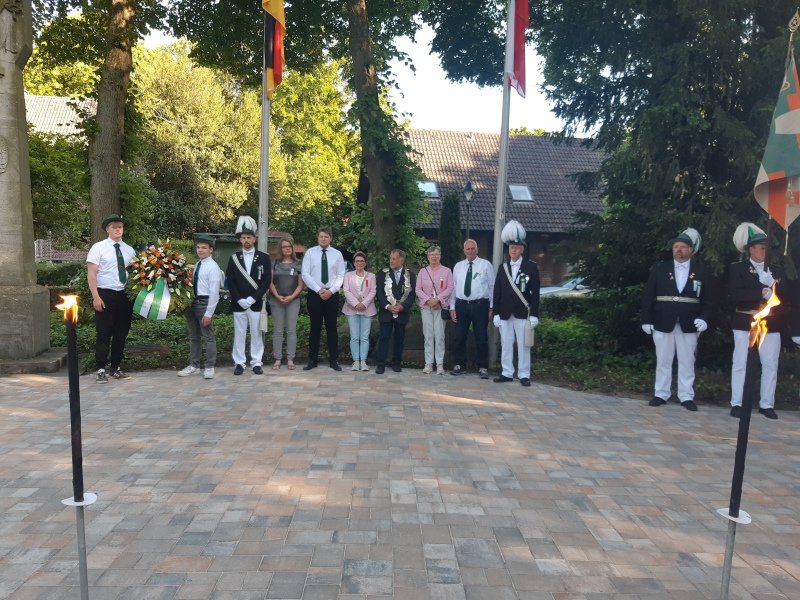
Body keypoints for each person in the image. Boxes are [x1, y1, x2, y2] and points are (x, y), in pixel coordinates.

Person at [641, 228, 711, 411]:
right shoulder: (660, 268)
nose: (678, 250)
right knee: (663, 360)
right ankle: (661, 393)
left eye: (683, 247)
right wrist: (646, 320)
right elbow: (648, 295)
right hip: (662, 320)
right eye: (676, 247)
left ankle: (686, 396)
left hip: (689, 322)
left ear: (691, 250)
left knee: (687, 361)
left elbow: (708, 299)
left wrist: (704, 318)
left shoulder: (702, 271)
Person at [728, 223, 787, 420]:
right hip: (746, 319)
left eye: (767, 248)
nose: (765, 251)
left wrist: (772, 284)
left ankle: (767, 404)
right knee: (741, 362)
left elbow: (787, 296)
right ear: (751, 249)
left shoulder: (776, 270)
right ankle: (737, 402)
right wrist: (760, 292)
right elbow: (735, 294)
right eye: (762, 248)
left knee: (770, 363)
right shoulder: (738, 269)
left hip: (770, 323)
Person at [86, 214, 135, 383]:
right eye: (114, 227)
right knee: (104, 333)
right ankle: (101, 368)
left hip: (124, 295)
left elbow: (135, 274)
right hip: (105, 293)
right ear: (107, 229)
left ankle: (116, 367)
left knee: (121, 333)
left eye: (120, 227)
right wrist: (96, 297)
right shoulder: (98, 248)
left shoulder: (129, 250)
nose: (117, 230)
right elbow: (92, 273)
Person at [492, 221, 540, 387]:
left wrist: (534, 315)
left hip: (522, 312)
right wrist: (496, 313)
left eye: (517, 247)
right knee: (506, 344)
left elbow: (535, 293)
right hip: (505, 312)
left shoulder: (531, 267)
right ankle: (507, 372)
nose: (513, 250)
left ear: (522, 250)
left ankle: (524, 374)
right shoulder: (503, 267)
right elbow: (497, 292)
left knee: (523, 345)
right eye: (511, 247)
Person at [226, 216, 272, 375]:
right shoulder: (233, 258)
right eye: (244, 238)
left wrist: (253, 298)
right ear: (240, 240)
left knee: (256, 334)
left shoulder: (264, 257)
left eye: (249, 237)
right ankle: (239, 362)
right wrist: (239, 299)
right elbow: (231, 281)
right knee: (239, 334)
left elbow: (266, 281)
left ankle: (256, 362)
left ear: (254, 239)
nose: (246, 240)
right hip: (239, 303)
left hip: (256, 302)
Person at [302, 227, 346, 371]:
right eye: (321, 236)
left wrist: (331, 291)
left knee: (331, 327)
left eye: (326, 237)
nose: (323, 239)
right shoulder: (310, 253)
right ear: (318, 237)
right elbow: (305, 274)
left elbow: (341, 275)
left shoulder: (337, 254)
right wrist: (318, 289)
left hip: (331, 294)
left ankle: (334, 360)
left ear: (331, 238)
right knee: (315, 327)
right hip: (315, 293)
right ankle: (312, 360)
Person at [177, 235, 221, 379]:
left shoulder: (213, 267)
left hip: (204, 302)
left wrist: (209, 313)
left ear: (211, 250)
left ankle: (209, 366)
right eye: (198, 247)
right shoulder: (197, 265)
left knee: (208, 337)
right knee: (193, 336)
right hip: (192, 302)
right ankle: (194, 365)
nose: (200, 250)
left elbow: (214, 292)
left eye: (204, 248)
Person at [450, 239, 494, 379]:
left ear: (477, 249)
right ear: (464, 251)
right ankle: (460, 364)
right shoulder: (458, 266)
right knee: (459, 337)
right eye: (468, 249)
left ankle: (482, 367)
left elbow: (492, 287)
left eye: (472, 248)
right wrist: (452, 307)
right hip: (461, 305)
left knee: (481, 337)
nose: (470, 251)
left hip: (480, 306)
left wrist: (492, 307)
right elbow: (453, 288)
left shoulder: (485, 265)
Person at [375, 249, 417, 374]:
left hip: (401, 312)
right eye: (390, 258)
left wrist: (403, 307)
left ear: (401, 260)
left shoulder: (410, 275)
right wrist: (387, 306)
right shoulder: (383, 273)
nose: (391, 261)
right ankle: (381, 364)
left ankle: (396, 363)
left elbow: (412, 294)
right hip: (386, 312)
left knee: (399, 339)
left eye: (394, 259)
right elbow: (379, 293)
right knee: (384, 337)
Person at [415, 245, 454, 375]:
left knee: (440, 335)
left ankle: (440, 364)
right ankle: (428, 363)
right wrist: (428, 300)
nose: (434, 257)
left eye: (436, 254)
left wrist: (438, 300)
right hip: (426, 307)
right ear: (428, 257)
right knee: (428, 335)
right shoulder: (423, 271)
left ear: (440, 256)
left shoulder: (447, 271)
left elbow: (450, 288)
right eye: (432, 255)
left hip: (440, 307)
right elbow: (418, 289)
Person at [269, 237, 304, 371]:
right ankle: (278, 358)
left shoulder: (298, 264)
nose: (287, 249)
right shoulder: (274, 264)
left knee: (291, 330)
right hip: (276, 300)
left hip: (293, 300)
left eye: (289, 246)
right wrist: (278, 296)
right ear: (280, 249)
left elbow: (300, 285)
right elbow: (270, 282)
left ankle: (290, 358)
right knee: (278, 330)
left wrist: (291, 297)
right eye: (284, 247)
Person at [342, 251, 377, 371]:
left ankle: (364, 361)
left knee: (364, 336)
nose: (359, 263)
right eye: (357, 261)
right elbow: (346, 291)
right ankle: (356, 361)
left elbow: (373, 291)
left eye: (362, 261)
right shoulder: (348, 276)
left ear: (365, 263)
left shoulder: (371, 276)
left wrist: (364, 304)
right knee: (354, 336)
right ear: (354, 263)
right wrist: (356, 304)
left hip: (367, 309)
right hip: (352, 309)